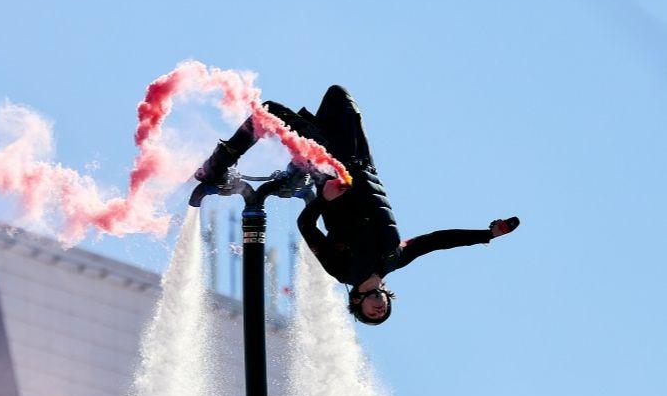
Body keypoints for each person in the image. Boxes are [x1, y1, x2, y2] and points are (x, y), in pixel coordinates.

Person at [194, 85, 520, 325]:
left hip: (332, 168)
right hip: (362, 163)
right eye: (383, 312)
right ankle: (301, 160)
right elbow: (437, 241)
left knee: (269, 112)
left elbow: (305, 226)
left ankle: (220, 162)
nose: (379, 310)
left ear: (356, 302)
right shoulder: (394, 259)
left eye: (371, 315)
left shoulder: (342, 270)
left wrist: (323, 200)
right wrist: (486, 234)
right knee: (339, 97)